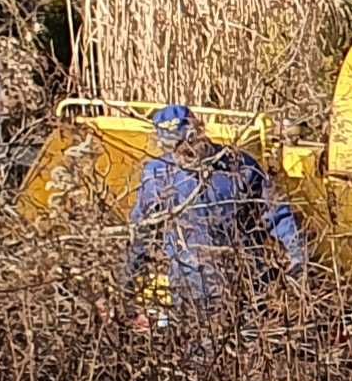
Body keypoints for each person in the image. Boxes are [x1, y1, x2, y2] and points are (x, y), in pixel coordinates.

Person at [129, 104, 306, 308]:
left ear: (199, 132)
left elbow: (277, 213)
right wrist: (126, 283)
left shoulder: (240, 166)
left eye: (187, 142)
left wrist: (298, 257)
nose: (183, 152)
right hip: (190, 290)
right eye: (173, 147)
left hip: (245, 284)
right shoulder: (158, 176)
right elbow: (141, 231)